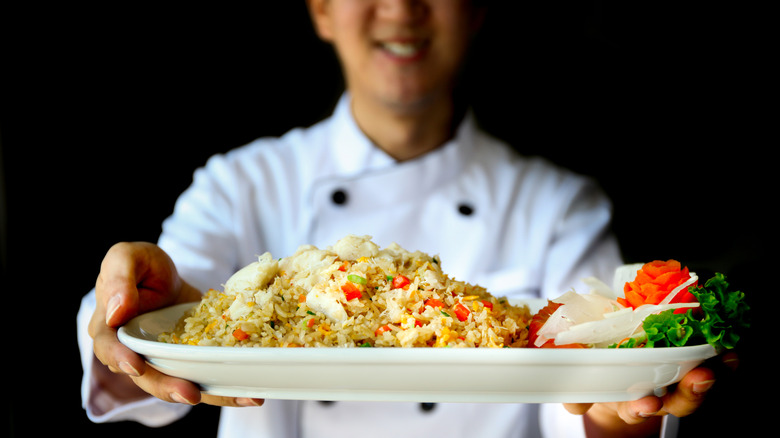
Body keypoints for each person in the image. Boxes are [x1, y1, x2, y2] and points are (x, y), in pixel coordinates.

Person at [78, 1, 725, 437]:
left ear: (473, 9)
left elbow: (587, 393)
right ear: (322, 9)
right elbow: (161, 308)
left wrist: (618, 413)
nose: (400, 7)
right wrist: (126, 308)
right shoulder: (240, 183)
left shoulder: (558, 204)